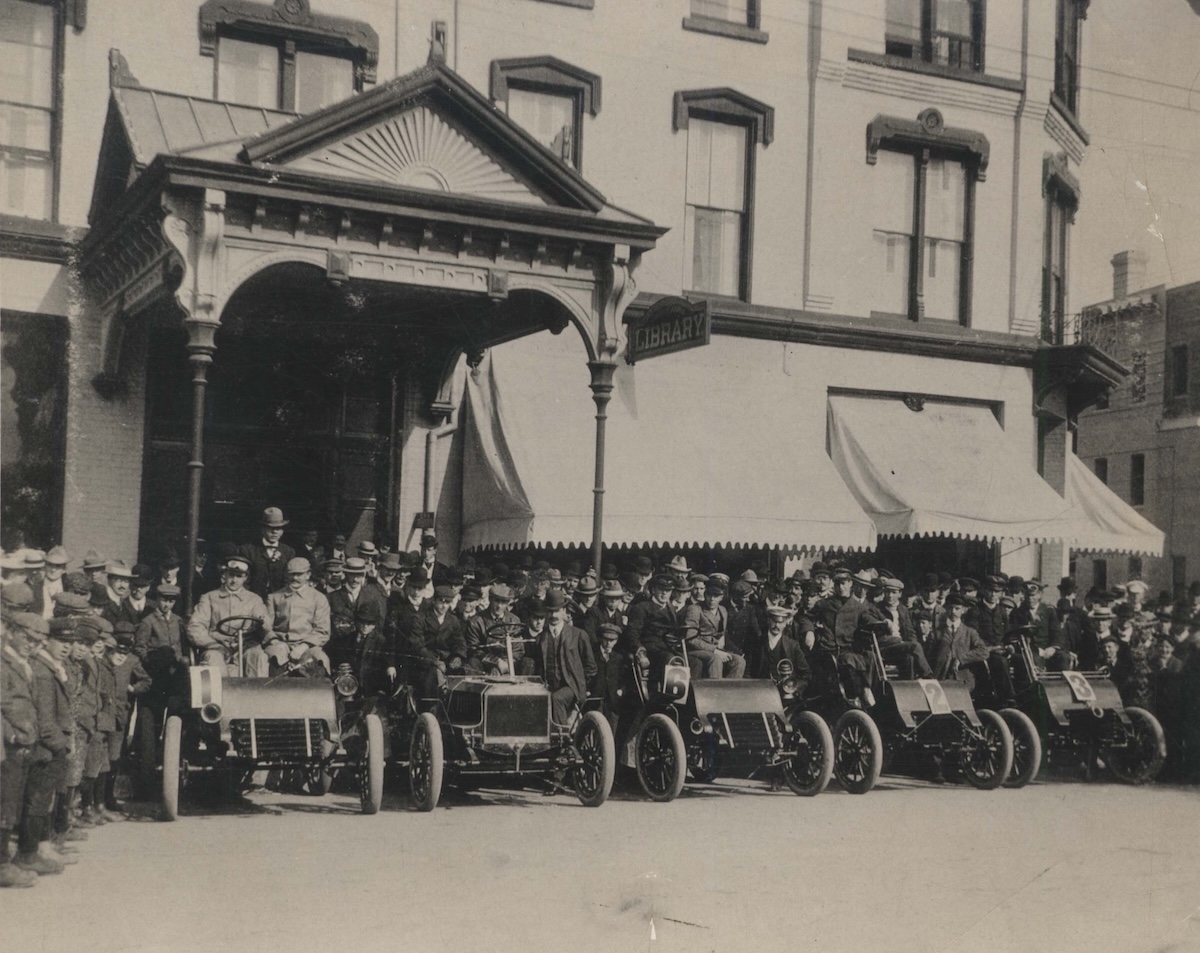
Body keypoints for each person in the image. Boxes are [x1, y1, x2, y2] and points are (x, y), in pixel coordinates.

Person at [1, 612, 42, 887]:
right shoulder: (3, 664)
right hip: (8, 745)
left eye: (38, 641)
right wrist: (12, 735)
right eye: (27, 638)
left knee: (13, 802)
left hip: (23, 744)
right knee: (4, 804)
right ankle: (2, 865)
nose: (32, 644)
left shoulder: (23, 663)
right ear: (12, 632)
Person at [186, 555, 273, 676]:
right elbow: (195, 627)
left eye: (239, 576)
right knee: (212, 657)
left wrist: (263, 621)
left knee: (258, 656)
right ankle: (221, 694)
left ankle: (257, 694)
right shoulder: (209, 598)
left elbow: (264, 620)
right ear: (224, 575)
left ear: (245, 578)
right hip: (217, 646)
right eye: (231, 574)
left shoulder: (254, 600)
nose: (234, 580)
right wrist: (212, 643)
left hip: (245, 647)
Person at [525, 590, 596, 725]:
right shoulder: (540, 638)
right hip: (547, 686)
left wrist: (580, 685)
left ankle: (561, 739)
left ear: (564, 611)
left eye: (557, 611)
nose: (553, 615)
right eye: (550, 611)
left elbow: (591, 667)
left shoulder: (578, 635)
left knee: (556, 698)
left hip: (571, 688)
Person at [264, 558, 332, 674]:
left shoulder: (319, 598)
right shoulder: (274, 597)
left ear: (308, 575)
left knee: (319, 660)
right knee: (273, 659)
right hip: (280, 644)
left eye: (299, 574)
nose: (295, 578)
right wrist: (274, 641)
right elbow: (266, 626)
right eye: (291, 574)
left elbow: (322, 630)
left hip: (308, 646)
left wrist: (304, 646)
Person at [405, 586, 467, 698]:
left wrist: (458, 657)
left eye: (447, 602)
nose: (444, 606)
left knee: (465, 672)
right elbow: (417, 644)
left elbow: (460, 642)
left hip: (447, 661)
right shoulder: (420, 618)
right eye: (441, 601)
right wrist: (434, 661)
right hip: (424, 662)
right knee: (433, 674)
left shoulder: (453, 620)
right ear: (434, 601)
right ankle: (432, 707)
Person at [622, 574, 680, 685]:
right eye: (661, 589)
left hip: (668, 648)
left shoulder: (671, 609)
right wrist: (640, 652)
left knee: (691, 660)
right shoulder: (642, 608)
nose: (664, 593)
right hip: (650, 649)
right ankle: (659, 695)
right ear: (653, 589)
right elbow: (632, 633)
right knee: (669, 658)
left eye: (668, 590)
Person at [681, 580, 745, 679]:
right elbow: (690, 639)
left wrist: (720, 649)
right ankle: (715, 692)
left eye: (716, 596)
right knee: (715, 659)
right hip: (696, 650)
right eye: (709, 595)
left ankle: (730, 691)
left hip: (716, 649)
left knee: (739, 661)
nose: (712, 599)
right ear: (705, 595)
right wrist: (714, 650)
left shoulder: (723, 610)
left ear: (721, 597)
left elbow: (721, 634)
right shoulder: (695, 609)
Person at [928, 593, 992, 691]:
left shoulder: (969, 632)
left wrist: (961, 659)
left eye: (957, 609)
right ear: (946, 609)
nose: (953, 612)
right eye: (950, 608)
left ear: (963, 610)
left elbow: (984, 651)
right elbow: (929, 656)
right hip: (940, 681)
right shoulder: (936, 633)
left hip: (963, 680)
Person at [743, 604, 810, 697]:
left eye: (781, 622)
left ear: (786, 623)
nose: (777, 625)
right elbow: (747, 672)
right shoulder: (756, 643)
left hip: (784, 696)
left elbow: (805, 674)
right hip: (759, 694)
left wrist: (793, 689)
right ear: (768, 621)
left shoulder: (793, 646)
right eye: (774, 621)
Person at [238, 507, 296, 601]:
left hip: (280, 601)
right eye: (270, 528)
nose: (274, 532)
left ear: (282, 531)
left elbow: (288, 581)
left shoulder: (288, 552)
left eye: (278, 528)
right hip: (252, 601)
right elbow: (244, 580)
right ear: (263, 529)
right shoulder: (248, 550)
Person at [465, 584, 525, 674]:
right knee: (473, 662)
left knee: (528, 662)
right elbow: (474, 649)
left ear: (508, 603)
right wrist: (496, 662)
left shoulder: (514, 620)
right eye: (496, 601)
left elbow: (518, 649)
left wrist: (507, 663)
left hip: (509, 662)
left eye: (503, 602)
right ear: (490, 600)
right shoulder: (476, 621)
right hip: (485, 664)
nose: (499, 606)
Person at [1009, 579, 1062, 669]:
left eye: (1033, 595)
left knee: (1063, 658)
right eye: (1027, 595)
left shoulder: (1049, 611)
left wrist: (1053, 647)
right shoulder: (1017, 612)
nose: (1030, 598)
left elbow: (1056, 632)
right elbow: (1014, 634)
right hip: (1029, 649)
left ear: (1040, 595)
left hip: (1047, 648)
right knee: (1033, 659)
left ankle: (1061, 683)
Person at [590, 622, 630, 736]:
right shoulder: (592, 655)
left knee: (611, 733)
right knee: (594, 729)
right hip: (595, 699)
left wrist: (621, 690)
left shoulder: (619, 658)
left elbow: (624, 678)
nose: (608, 643)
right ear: (600, 638)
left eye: (612, 640)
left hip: (613, 702)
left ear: (616, 641)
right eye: (606, 639)